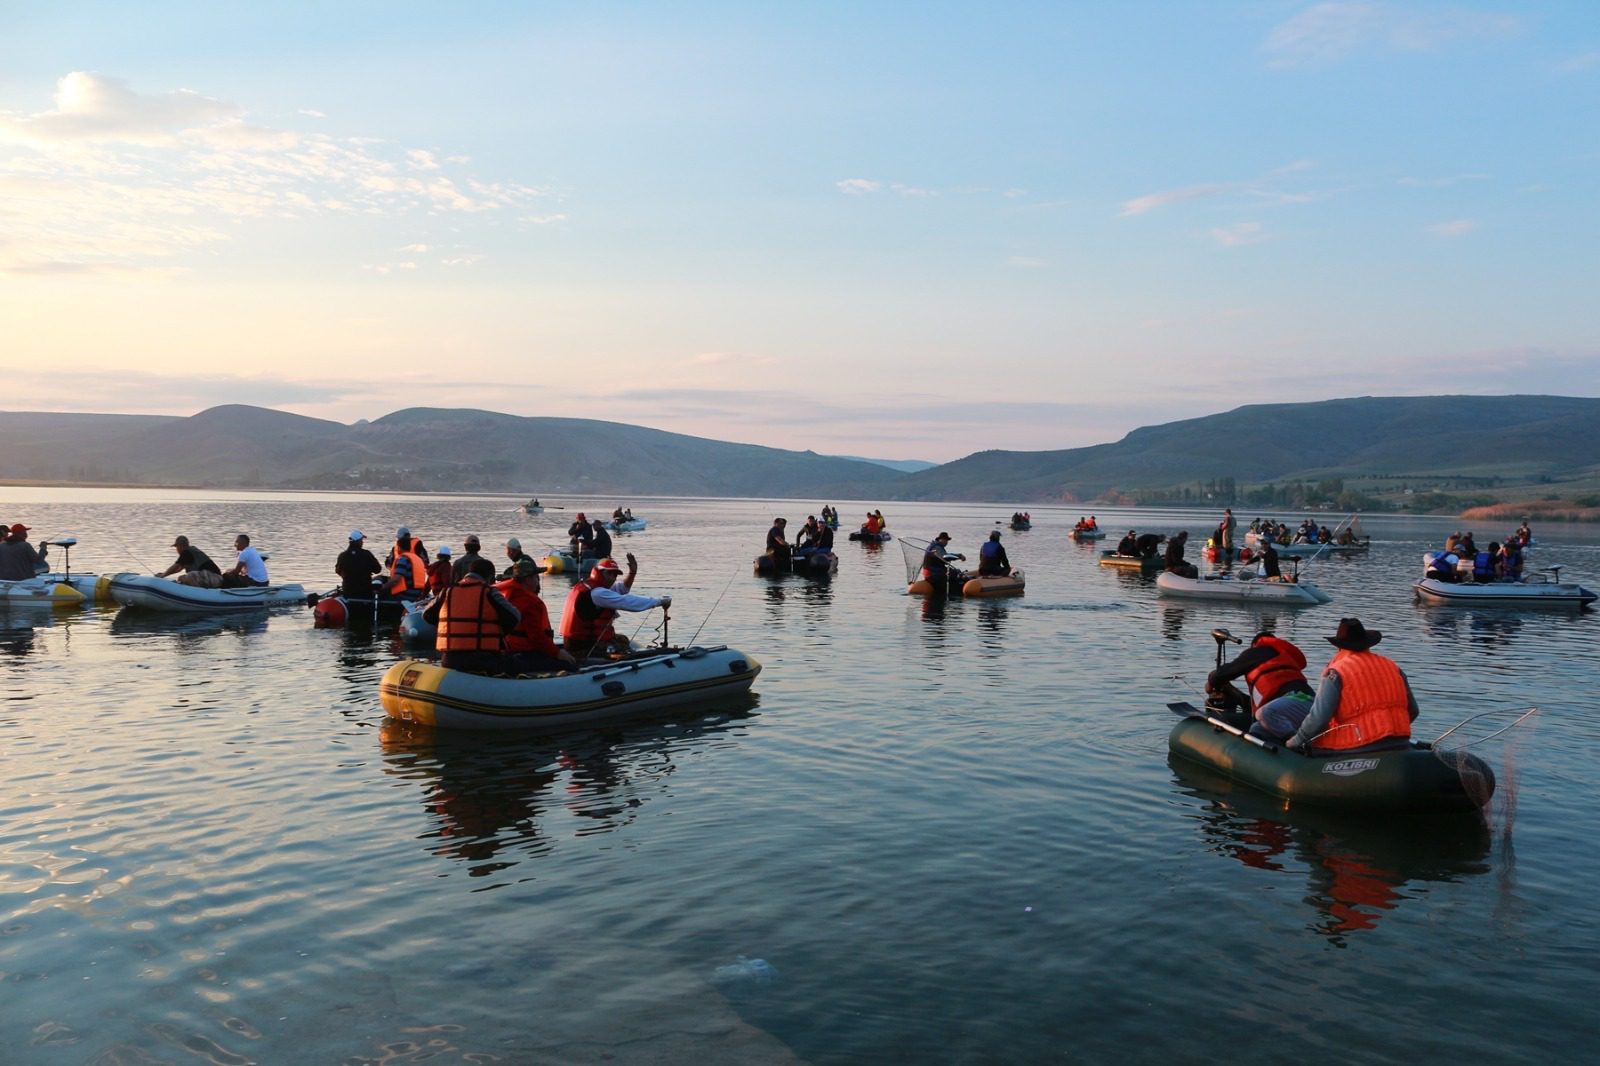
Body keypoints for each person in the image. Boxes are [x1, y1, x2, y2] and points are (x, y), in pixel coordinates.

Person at [1288, 618, 1419, 753]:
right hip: (1400, 741)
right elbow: (1413, 710)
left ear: (1339, 647)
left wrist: (1297, 741)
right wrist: (1389, 727)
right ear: (1368, 643)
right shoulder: (1392, 667)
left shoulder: (1336, 672)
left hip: (1360, 746)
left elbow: (1319, 719)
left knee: (1311, 745)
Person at [1206, 630, 1316, 740]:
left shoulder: (1263, 649)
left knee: (1265, 713)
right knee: (1256, 728)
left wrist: (1211, 681)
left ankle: (1300, 743)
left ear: (1254, 645)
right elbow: (1251, 710)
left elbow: (1223, 673)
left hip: (1301, 699)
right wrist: (1232, 692)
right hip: (1297, 710)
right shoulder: (1279, 660)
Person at [559, 553, 671, 660]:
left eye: (615, 575)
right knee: (622, 645)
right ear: (599, 573)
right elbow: (627, 602)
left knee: (622, 639)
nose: (613, 578)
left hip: (575, 641)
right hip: (583, 646)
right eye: (610, 574)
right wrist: (659, 602)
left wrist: (632, 573)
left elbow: (622, 589)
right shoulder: (598, 594)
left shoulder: (590, 587)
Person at [423, 557, 520, 674]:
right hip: (484, 660)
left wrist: (449, 627)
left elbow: (426, 614)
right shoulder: (489, 592)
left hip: (450, 660)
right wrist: (500, 631)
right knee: (518, 662)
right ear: (489, 577)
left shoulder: (447, 591)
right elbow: (515, 616)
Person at [495, 557, 578, 674]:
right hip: (528, 653)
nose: (538, 580)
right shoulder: (530, 602)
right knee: (570, 664)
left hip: (510, 651)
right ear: (528, 580)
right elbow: (536, 638)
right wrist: (558, 653)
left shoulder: (507, 597)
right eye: (535, 577)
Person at [336, 531, 382, 598]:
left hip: (348, 591)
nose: (362, 542)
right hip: (365, 591)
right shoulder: (367, 554)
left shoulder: (342, 555)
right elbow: (378, 570)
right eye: (361, 540)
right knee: (380, 579)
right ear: (358, 541)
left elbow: (338, 571)